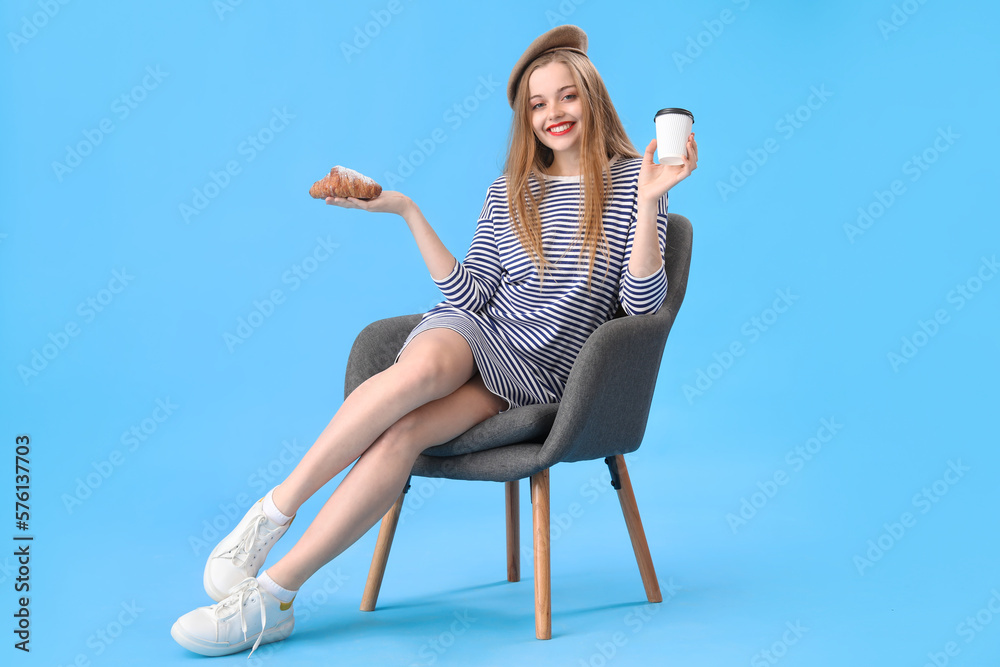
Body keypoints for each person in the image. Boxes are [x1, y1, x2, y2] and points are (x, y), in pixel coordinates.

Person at [170, 24, 698, 657]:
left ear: (592, 98)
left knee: (404, 434)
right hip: (476, 330)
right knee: (420, 371)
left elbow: (640, 307)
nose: (552, 114)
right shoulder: (510, 190)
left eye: (566, 97)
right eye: (537, 104)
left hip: (538, 377)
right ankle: (268, 520)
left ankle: (274, 598)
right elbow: (473, 295)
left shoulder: (633, 184)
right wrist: (406, 211)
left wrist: (648, 203)